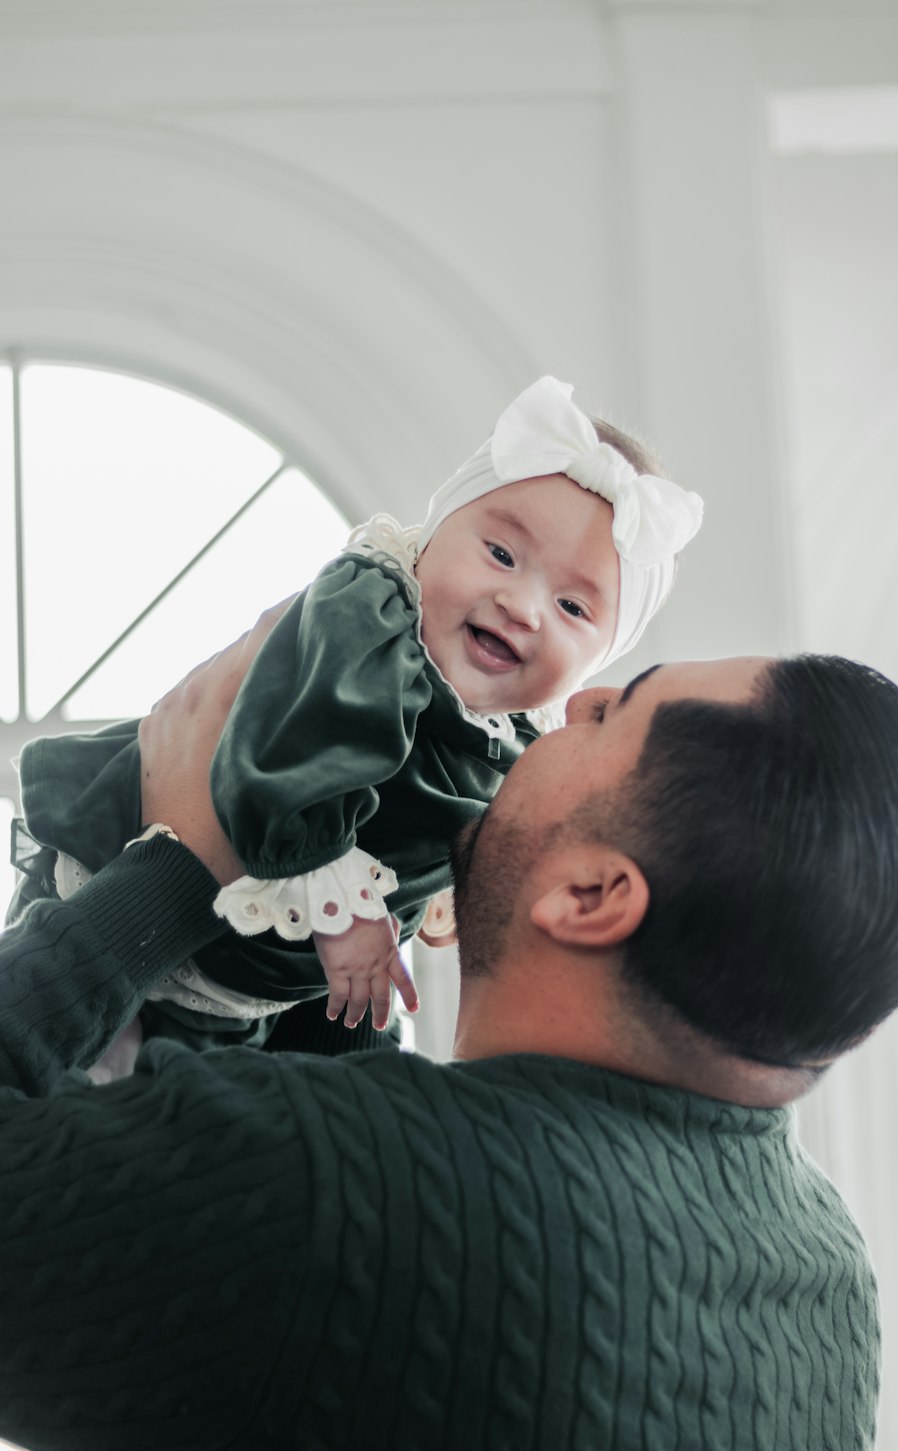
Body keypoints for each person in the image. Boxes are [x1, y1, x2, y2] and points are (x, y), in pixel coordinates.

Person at [0, 630, 898, 1451]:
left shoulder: (332, 1190)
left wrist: (170, 866)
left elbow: (334, 1218)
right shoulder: (822, 1274)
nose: (580, 695)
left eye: (617, 708)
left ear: (592, 893)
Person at [8, 375, 702, 1070]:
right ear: (432, 536)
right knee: (64, 1088)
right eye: (501, 554)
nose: (523, 605)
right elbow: (295, 756)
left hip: (249, 979)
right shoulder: (371, 617)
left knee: (196, 1126)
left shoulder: (518, 744)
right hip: (123, 886)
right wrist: (346, 913)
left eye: (574, 609)